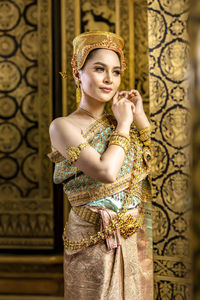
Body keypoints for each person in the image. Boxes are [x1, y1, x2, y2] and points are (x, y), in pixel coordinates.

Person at [47, 31, 153, 300]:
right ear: (77, 73)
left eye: (116, 72)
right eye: (99, 69)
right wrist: (125, 124)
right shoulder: (63, 126)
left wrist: (139, 117)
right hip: (92, 241)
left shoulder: (118, 121)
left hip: (134, 236)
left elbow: (158, 171)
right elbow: (106, 171)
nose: (109, 79)